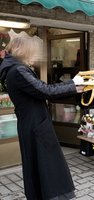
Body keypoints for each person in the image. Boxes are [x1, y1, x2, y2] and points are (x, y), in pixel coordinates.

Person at [0, 34, 84, 200]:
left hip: (32, 123)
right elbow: (45, 91)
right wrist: (74, 85)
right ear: (24, 51)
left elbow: (42, 90)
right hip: (35, 126)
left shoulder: (15, 69)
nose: (35, 56)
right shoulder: (18, 71)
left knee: (40, 165)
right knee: (46, 165)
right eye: (32, 52)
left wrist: (72, 86)